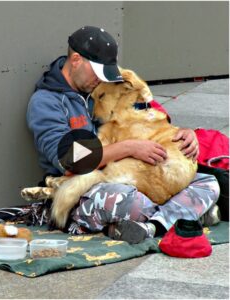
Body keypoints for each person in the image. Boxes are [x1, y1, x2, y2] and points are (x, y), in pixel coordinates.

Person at [26, 26, 221, 244]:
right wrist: (129, 147)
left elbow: (146, 116)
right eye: (98, 73)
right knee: (126, 200)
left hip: (131, 174)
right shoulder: (46, 102)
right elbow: (71, 160)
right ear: (76, 60)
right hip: (80, 186)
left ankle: (151, 226)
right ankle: (183, 214)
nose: (100, 80)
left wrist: (183, 134)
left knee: (208, 182)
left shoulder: (99, 88)